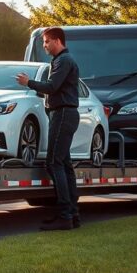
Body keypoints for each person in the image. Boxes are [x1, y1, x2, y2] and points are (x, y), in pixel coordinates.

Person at [16, 27, 81, 231]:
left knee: (54, 163)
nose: (44, 46)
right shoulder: (61, 60)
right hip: (63, 114)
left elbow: (52, 87)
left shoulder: (64, 61)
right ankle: (72, 214)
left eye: (46, 41)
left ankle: (65, 215)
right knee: (64, 164)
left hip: (63, 114)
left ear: (57, 41)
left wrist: (28, 82)